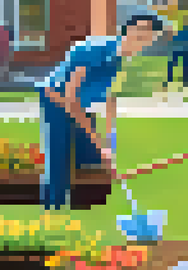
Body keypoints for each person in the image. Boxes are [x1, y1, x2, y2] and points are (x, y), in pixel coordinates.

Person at [38, 14, 164, 209]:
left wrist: (110, 137)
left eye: (149, 36)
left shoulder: (122, 59)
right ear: (127, 30)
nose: (143, 39)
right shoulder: (94, 49)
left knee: (90, 157)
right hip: (57, 99)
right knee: (59, 153)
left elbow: (109, 98)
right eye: (140, 31)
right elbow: (70, 97)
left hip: (81, 101)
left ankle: (85, 204)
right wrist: (97, 139)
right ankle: (53, 206)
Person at [166, 0, 188, 90]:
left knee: (174, 62)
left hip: (179, 41)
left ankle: (170, 80)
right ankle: (184, 81)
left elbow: (172, 30)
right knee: (183, 63)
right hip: (183, 42)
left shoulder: (178, 17)